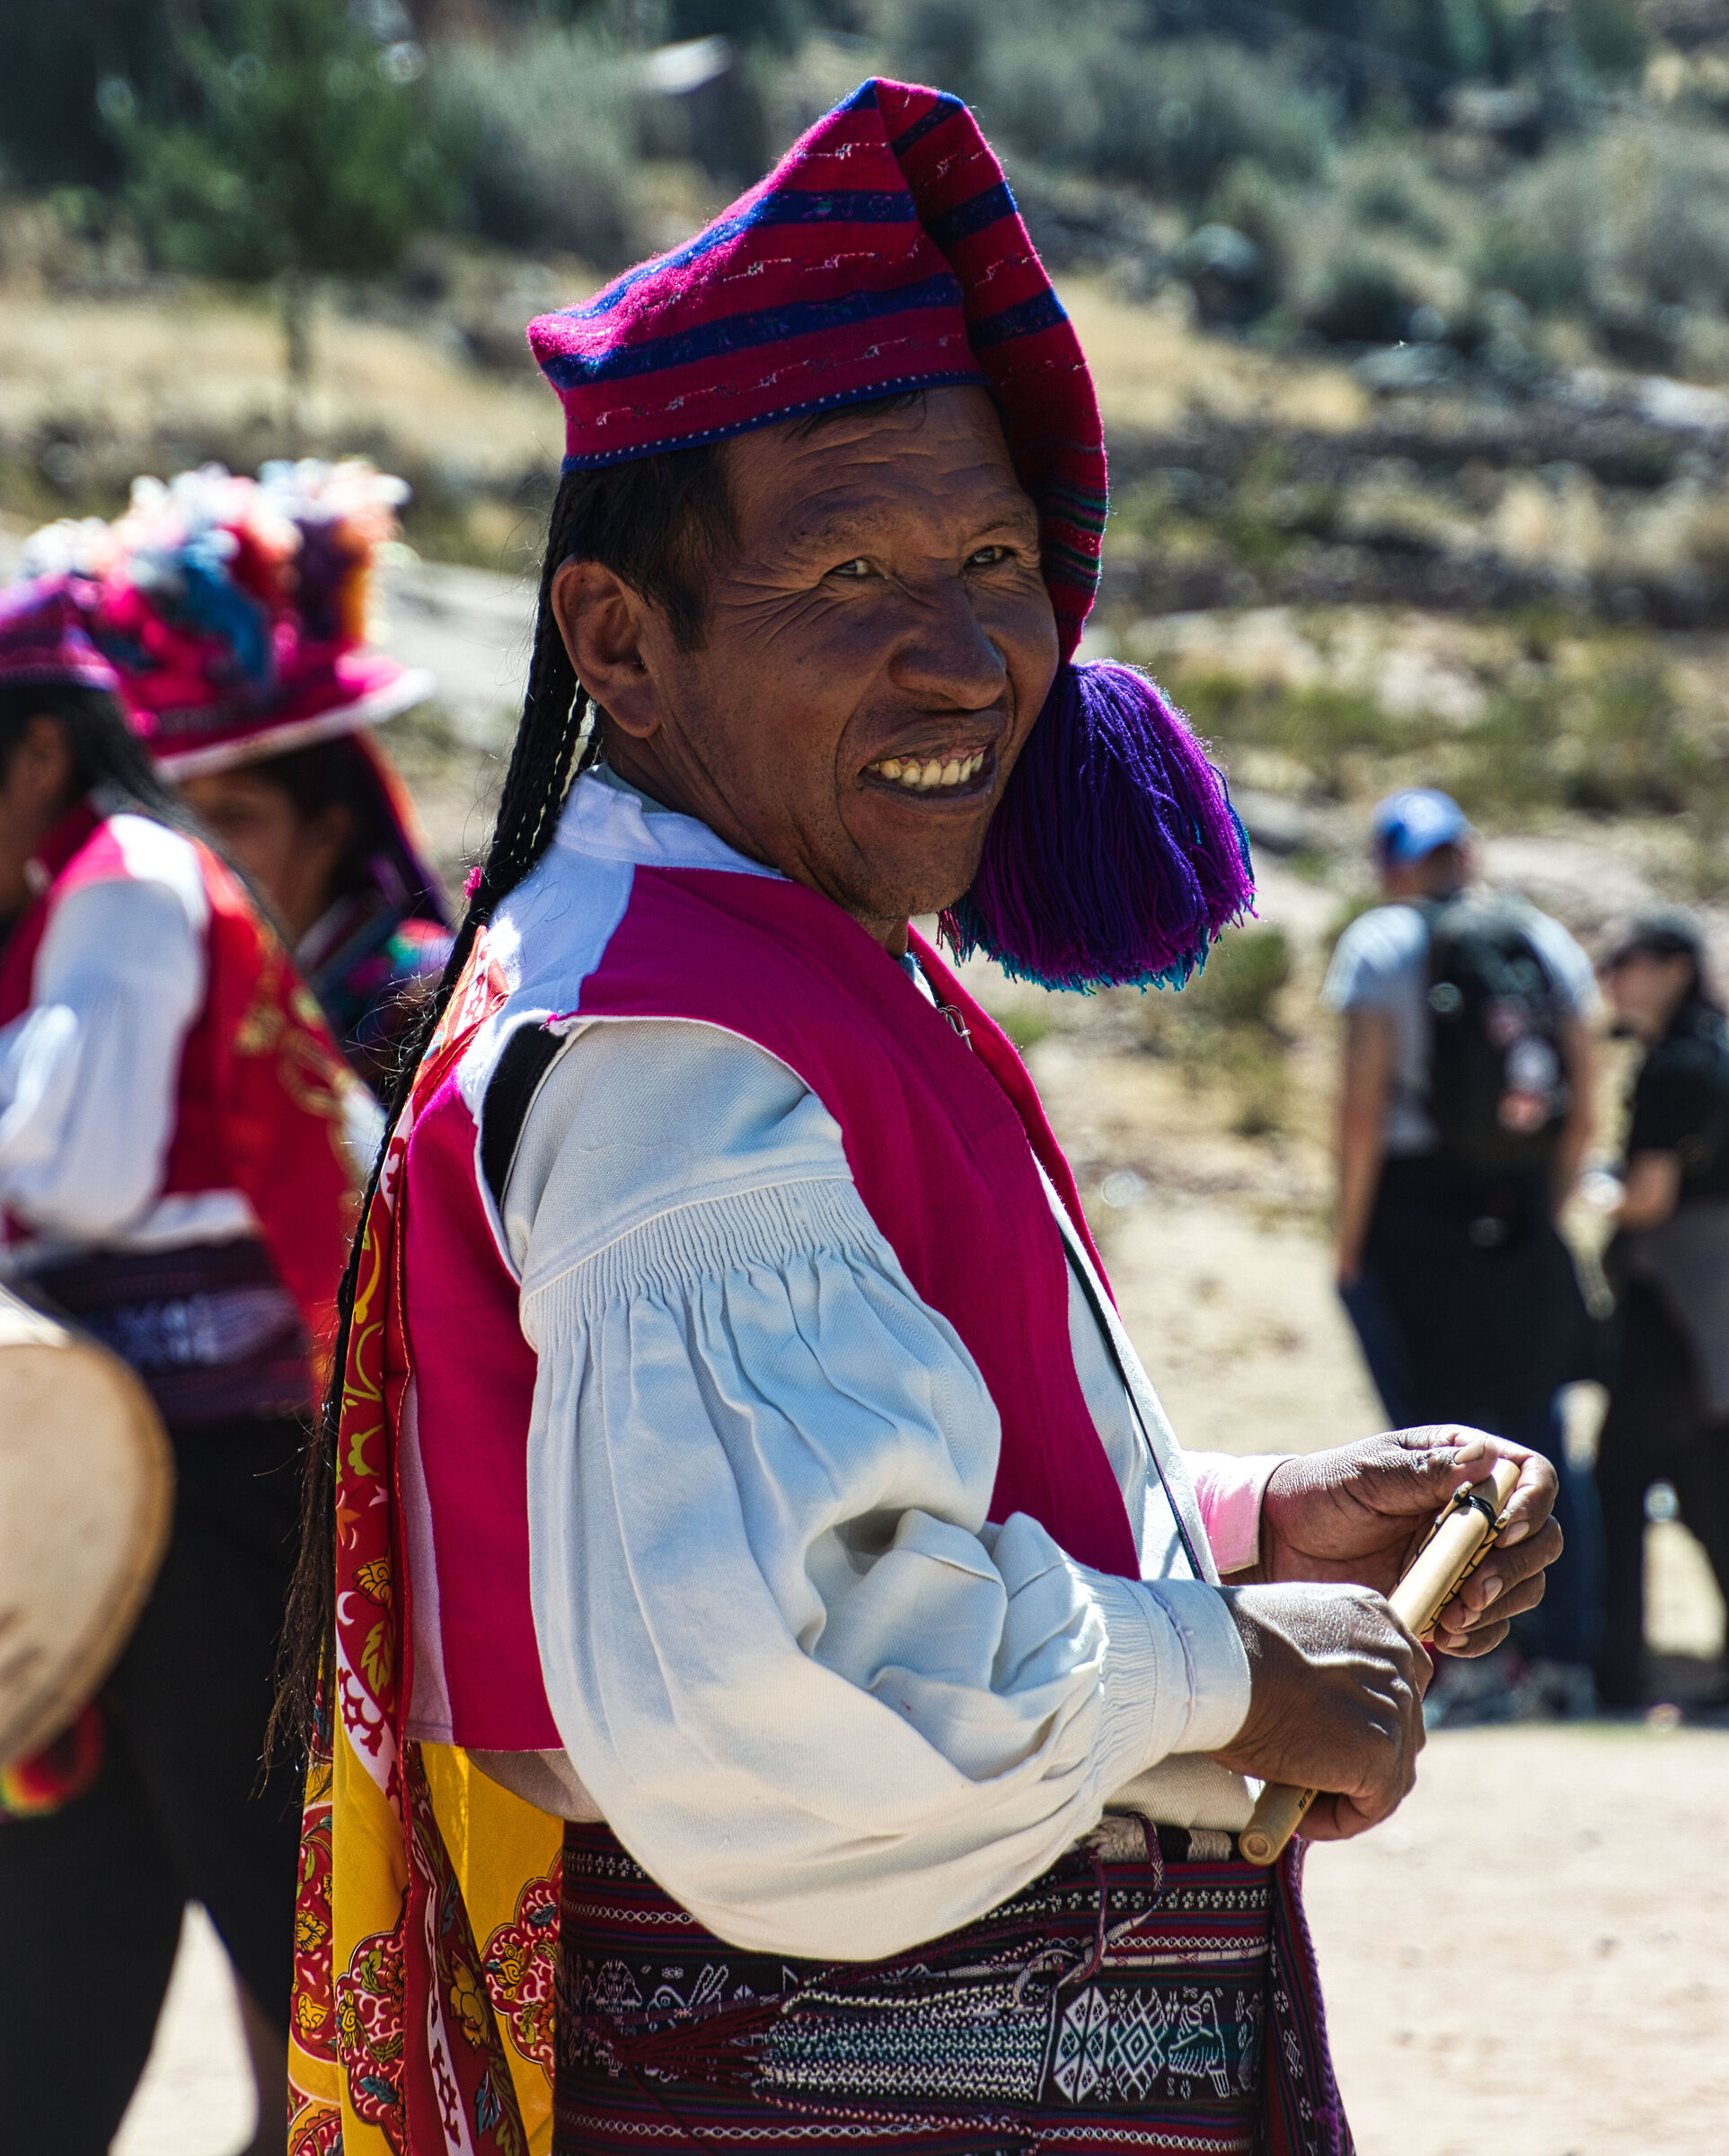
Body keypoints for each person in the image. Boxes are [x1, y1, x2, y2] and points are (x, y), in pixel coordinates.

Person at [280, 84, 1562, 2156]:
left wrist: (1243, 1520)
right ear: (623, 637)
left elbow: (826, 1511)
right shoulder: (681, 1046)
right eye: (850, 565)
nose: (969, 652)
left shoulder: (765, 957)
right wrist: (1217, 1665)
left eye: (992, 556)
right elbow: (774, 1686)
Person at [0, 577, 366, 2152]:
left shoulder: (131, 884)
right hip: (116, 1470)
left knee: (266, 1885)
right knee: (63, 1914)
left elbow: (71, 1175)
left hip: (217, 1482)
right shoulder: (67, 889)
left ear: (30, 755)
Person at [35, 459, 453, 1099]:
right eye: (172, 815)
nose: (195, 849)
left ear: (326, 835)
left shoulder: (417, 1003)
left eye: (235, 816)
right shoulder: (165, 982)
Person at [1323, 787, 1601, 1714]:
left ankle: (1471, 1664)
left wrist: (1349, 1238)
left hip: (1411, 1210)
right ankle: (1567, 1662)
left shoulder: (1380, 942)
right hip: (1519, 1208)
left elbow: (1362, 1106)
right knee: (1540, 1436)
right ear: (1465, 853)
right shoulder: (1536, 939)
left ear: (1390, 863)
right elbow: (1584, 1086)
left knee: (1434, 1444)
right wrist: (1549, 1203)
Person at [1594, 907, 1729, 1711]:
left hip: (1671, 1306)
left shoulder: (1674, 1065)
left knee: (1621, 1482)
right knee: (1708, 1483)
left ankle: (1615, 1671)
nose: (1611, 974)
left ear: (1674, 966)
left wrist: (1586, 1191)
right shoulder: (1713, 1051)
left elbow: (1647, 1198)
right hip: (1709, 1310)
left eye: (1626, 959)